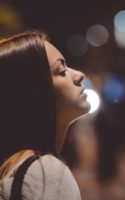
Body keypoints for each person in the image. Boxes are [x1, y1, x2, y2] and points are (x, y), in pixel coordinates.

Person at [0, 30, 90, 199]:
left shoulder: (13, 167)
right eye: (61, 71)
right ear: (34, 92)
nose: (79, 75)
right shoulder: (45, 173)